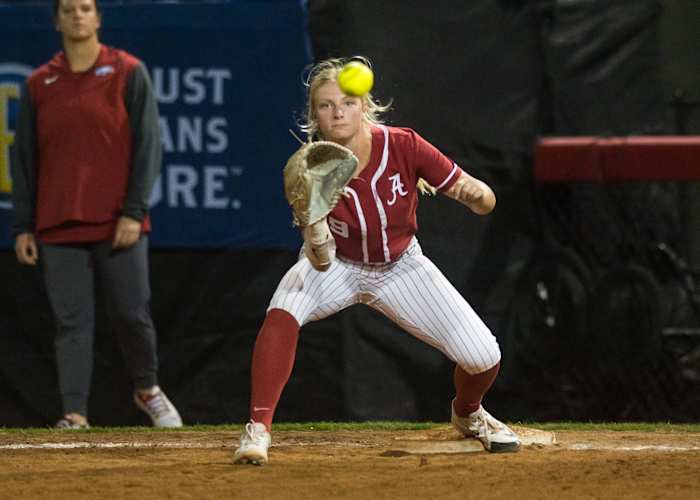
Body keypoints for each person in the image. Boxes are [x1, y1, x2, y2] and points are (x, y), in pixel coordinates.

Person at [233, 57, 519, 464]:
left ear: (364, 106)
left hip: (400, 267)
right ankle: (257, 431)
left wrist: (476, 193)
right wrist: (314, 231)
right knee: (284, 307)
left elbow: (483, 199)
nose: (338, 112)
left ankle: (468, 413)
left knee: (483, 356)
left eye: (347, 103)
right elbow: (319, 258)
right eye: (326, 105)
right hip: (339, 266)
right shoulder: (313, 167)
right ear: (314, 115)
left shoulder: (403, 145)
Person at [11, 0, 182, 429]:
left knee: (131, 313)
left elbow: (148, 147)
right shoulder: (39, 83)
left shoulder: (128, 71)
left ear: (98, 18)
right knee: (71, 323)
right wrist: (24, 225)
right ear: (57, 20)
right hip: (57, 223)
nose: (77, 15)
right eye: (68, 9)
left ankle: (148, 389)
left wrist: (133, 211)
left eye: (85, 8)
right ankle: (74, 413)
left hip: (118, 222)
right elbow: (24, 159)